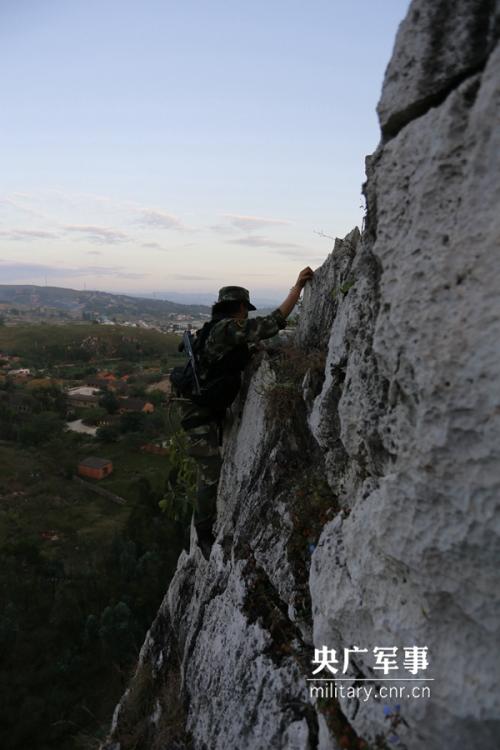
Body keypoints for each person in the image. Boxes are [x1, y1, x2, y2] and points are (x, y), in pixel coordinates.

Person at [177, 266, 314, 559]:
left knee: (214, 464)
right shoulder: (227, 328)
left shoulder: (213, 329)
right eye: (245, 311)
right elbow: (274, 322)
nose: (246, 316)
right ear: (238, 308)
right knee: (210, 471)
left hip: (204, 407)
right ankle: (203, 532)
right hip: (197, 413)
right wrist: (297, 288)